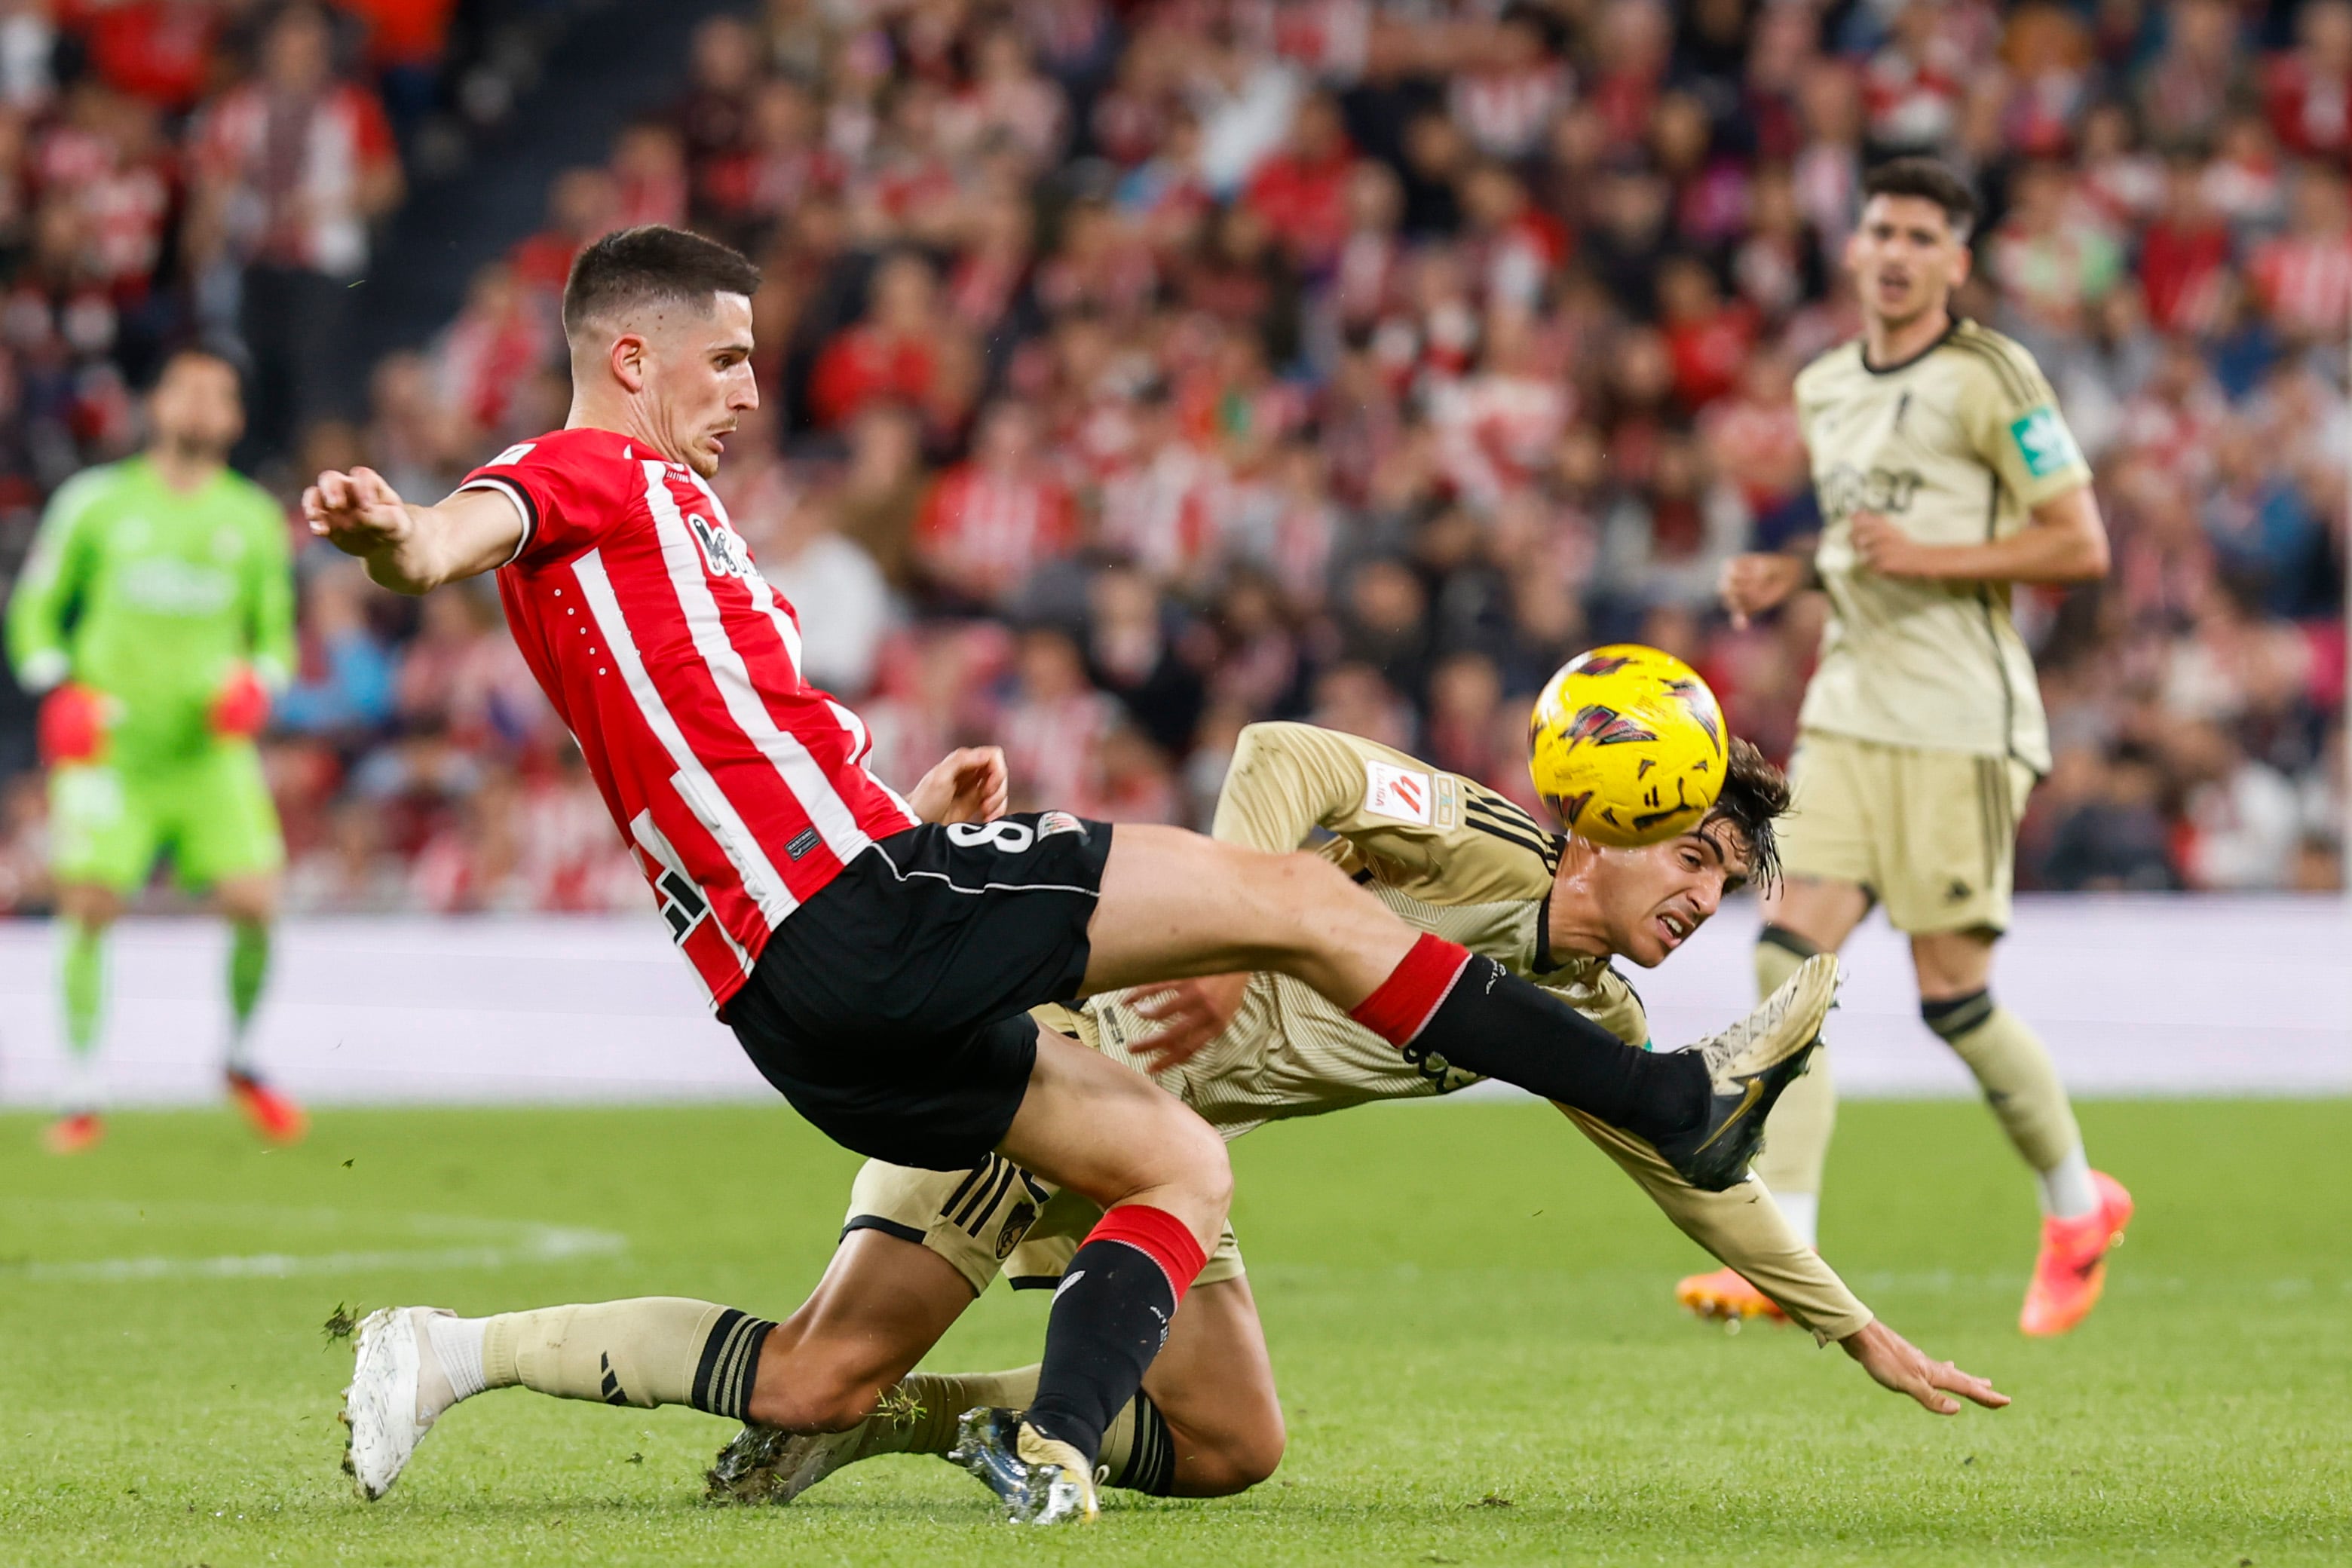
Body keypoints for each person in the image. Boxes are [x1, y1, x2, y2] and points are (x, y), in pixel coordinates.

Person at [313, 225, 1825, 1525]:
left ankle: (445, 1352)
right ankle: (1674, 1104)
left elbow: (724, 758)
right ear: (632, 359)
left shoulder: (669, 524)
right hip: (859, 916)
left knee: (1089, 1213)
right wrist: (406, 538)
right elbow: (473, 524)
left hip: (807, 976)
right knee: (1299, 902)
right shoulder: (582, 470)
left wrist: (902, 807)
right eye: (727, 363)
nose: (753, 393)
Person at [328, 720, 1993, 1513]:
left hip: (1150, 1161)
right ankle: (447, 1348)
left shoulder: (1589, 1018)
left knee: (1231, 1444)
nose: (1703, 893)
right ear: (1608, 823)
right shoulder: (1474, 837)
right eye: (1691, 851)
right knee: (813, 1357)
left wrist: (1857, 1329)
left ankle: (931, 1426)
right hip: (1042, 1064)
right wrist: (1229, 910)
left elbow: (1701, 1182)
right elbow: (1289, 757)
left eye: (1726, 876)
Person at [1704, 158, 2132, 1338]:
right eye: (1879, 229)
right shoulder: (1826, 385)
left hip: (1958, 719)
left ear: (1958, 259)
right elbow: (1864, 539)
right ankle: (1783, 1244)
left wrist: (1926, 561)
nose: (1894, 252)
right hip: (1848, 712)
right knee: (1784, 959)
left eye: (1921, 236)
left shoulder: (1994, 376)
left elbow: (2078, 544)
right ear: (1854, 249)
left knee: (1955, 997)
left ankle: (2075, 1203)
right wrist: (1797, 570)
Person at [5, 349, 305, 1153]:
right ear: (157, 405)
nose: (204, 406)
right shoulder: (94, 503)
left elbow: (274, 636)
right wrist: (56, 683)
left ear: (236, 419)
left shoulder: (250, 518)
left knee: (257, 901)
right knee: (92, 904)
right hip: (110, 746)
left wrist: (260, 684)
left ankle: (241, 1059)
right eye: (188, 389)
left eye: (221, 395)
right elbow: (34, 608)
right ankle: (80, 1091)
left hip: (208, 750)